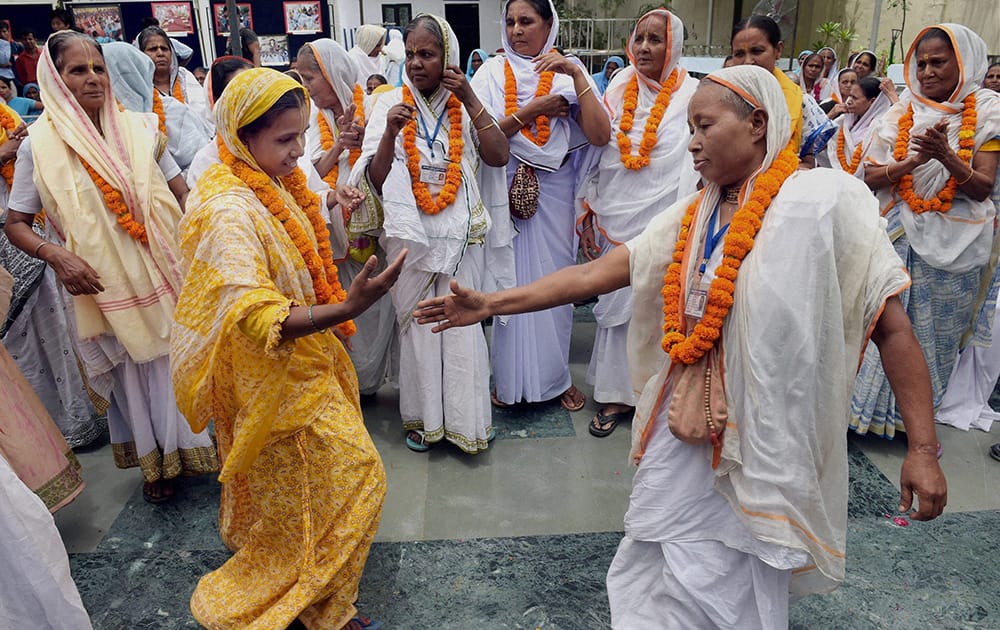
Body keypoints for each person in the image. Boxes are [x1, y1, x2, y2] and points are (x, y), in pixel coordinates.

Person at [415, 64, 947, 627]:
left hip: (767, 441)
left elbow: (892, 328)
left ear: (758, 124)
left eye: (704, 125)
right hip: (684, 422)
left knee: (738, 580)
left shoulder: (821, 202)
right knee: (655, 555)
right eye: (689, 127)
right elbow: (601, 273)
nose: (690, 143)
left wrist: (923, 449)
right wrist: (491, 305)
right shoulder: (694, 213)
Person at [171, 67, 401, 630]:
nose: (299, 152)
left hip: (308, 364)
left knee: (310, 494)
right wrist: (347, 308)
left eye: (300, 137)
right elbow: (251, 314)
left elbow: (308, 229)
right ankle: (303, 596)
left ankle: (324, 604)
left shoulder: (268, 181)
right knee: (360, 477)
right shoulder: (227, 210)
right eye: (285, 140)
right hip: (272, 379)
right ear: (241, 136)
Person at [4, 31, 218, 503]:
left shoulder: (142, 128)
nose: (93, 78)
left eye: (98, 68)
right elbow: (15, 222)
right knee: (130, 372)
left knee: (172, 360)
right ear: (54, 80)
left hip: (166, 268)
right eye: (77, 70)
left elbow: (182, 195)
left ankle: (195, 446)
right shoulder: (36, 146)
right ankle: (154, 461)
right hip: (98, 283)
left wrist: (207, 243)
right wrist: (57, 256)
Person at [349, 14, 510, 452]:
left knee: (462, 328)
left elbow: (498, 155)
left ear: (448, 58)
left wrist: (472, 96)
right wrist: (388, 135)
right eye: (413, 54)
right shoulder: (387, 104)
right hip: (411, 240)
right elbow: (376, 181)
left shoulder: (464, 104)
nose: (417, 63)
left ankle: (469, 421)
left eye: (429, 54)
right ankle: (422, 419)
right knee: (420, 330)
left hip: (460, 241)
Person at [851, 24, 1000, 439]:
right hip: (897, 231)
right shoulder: (902, 113)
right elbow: (870, 175)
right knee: (881, 321)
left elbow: (982, 186)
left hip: (957, 245)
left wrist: (946, 157)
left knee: (932, 336)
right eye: (921, 63)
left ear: (965, 63)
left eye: (939, 62)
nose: (928, 71)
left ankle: (911, 428)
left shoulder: (988, 111)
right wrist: (912, 163)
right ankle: (861, 418)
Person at [470, 0, 610, 411]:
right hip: (505, 188)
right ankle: (510, 382)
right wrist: (533, 110)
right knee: (509, 283)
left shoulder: (568, 74)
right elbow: (482, 139)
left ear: (549, 26)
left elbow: (600, 136)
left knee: (557, 286)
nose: (516, 30)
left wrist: (576, 73)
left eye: (527, 21)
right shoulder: (491, 74)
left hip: (555, 190)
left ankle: (556, 378)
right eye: (511, 22)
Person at [576, 9, 698, 438]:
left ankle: (656, 393)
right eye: (639, 38)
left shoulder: (692, 95)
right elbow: (601, 152)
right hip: (617, 212)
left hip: (668, 216)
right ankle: (614, 394)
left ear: (674, 47)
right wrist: (587, 209)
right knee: (615, 309)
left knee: (656, 304)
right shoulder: (618, 85)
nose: (644, 47)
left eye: (656, 39)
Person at [299, 38, 398, 399]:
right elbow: (307, 172)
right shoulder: (311, 116)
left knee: (374, 300)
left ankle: (369, 381)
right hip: (330, 222)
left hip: (369, 224)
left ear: (332, 73)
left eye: (311, 78)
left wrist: (361, 141)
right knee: (340, 301)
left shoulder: (373, 104)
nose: (306, 87)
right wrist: (339, 144)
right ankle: (349, 382)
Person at [731, 14, 835, 165]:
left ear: (778, 50)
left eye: (757, 51)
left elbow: (809, 161)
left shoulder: (801, 102)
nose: (747, 61)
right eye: (739, 54)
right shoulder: (722, 98)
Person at [137, 26, 213, 170]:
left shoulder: (184, 76)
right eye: (152, 49)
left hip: (202, 153)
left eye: (164, 49)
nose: (160, 53)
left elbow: (204, 116)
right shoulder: (140, 86)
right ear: (141, 54)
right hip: (162, 163)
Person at [825, 76, 891, 177]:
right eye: (849, 96)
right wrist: (831, 115)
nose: (849, 101)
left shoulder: (882, 127)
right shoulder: (843, 121)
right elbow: (816, 143)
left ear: (872, 102)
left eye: (854, 98)